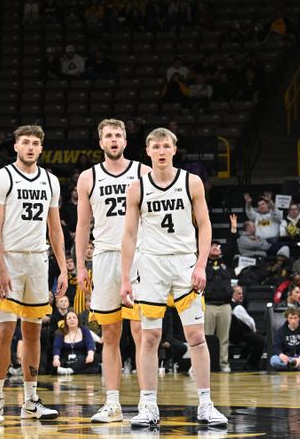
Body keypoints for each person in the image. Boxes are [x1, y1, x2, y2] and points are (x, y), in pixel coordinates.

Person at [120, 127, 227, 427]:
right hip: (151, 266)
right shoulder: (136, 188)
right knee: (150, 337)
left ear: (174, 149)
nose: (162, 150)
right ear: (148, 151)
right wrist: (126, 277)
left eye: (166, 145)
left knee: (195, 336)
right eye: (156, 146)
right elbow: (128, 235)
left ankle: (206, 403)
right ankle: (148, 405)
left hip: (184, 264)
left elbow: (204, 225)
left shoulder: (191, 182)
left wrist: (201, 264)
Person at [0, 125, 67, 420]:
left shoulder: (50, 180)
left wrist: (62, 268)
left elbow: (55, 229)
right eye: (25, 142)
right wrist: (1, 267)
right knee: (6, 329)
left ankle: (31, 400)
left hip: (38, 260)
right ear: (16, 147)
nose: (30, 147)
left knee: (33, 331)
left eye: (35, 143)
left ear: (41, 149)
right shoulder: (3, 177)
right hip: (10, 259)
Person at [74, 118, 148, 423]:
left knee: (142, 332)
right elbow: (81, 225)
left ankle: (147, 402)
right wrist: (80, 265)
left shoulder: (143, 172)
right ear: (101, 142)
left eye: (118, 135)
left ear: (126, 141)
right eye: (108, 136)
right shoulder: (88, 177)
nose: (114, 140)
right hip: (104, 257)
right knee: (110, 332)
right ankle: (112, 403)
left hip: (140, 256)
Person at [204, 241, 233, 373]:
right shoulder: (203, 263)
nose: (216, 248)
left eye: (218, 246)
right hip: (208, 305)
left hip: (225, 305)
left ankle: (223, 363)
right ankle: (205, 364)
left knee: (224, 338)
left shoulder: (225, 263)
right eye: (213, 246)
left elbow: (232, 246)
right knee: (205, 337)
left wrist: (233, 230)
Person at [269, 307, 300, 371]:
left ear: (299, 318)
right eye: (290, 318)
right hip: (289, 360)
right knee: (273, 359)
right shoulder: (280, 331)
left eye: (295, 318)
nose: (293, 321)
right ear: (287, 318)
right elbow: (276, 346)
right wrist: (281, 355)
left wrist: (299, 359)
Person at [230, 285, 266, 371]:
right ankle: (251, 364)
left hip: (232, 335)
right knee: (261, 340)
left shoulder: (229, 305)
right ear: (232, 294)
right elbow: (250, 322)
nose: (241, 295)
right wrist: (253, 329)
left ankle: (244, 359)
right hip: (238, 336)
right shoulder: (237, 307)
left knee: (252, 339)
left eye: (242, 293)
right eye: (239, 293)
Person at [51, 310, 98, 375]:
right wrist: (56, 358)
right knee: (54, 364)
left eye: (74, 317)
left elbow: (89, 343)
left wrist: (90, 354)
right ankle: (73, 370)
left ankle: (70, 371)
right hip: (66, 359)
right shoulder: (60, 331)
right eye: (69, 318)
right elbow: (57, 347)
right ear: (66, 321)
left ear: (78, 320)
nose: (72, 320)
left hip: (81, 359)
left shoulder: (84, 330)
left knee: (94, 358)